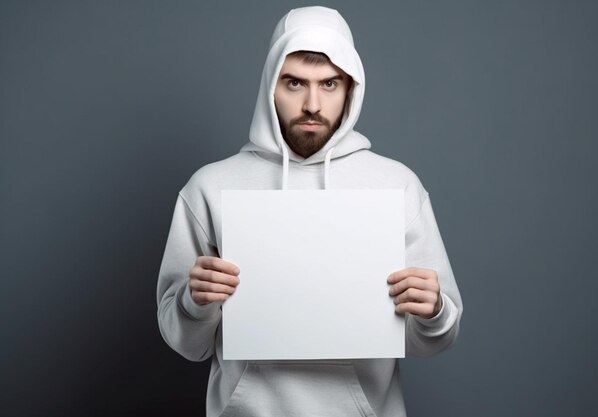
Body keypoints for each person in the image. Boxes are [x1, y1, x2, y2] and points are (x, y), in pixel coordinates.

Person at [157, 6, 462, 417]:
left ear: (351, 88)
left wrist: (435, 310)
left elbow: (432, 340)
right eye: (295, 83)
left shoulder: (397, 185)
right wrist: (194, 303)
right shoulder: (210, 187)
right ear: (271, 85)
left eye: (330, 84)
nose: (312, 103)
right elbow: (186, 344)